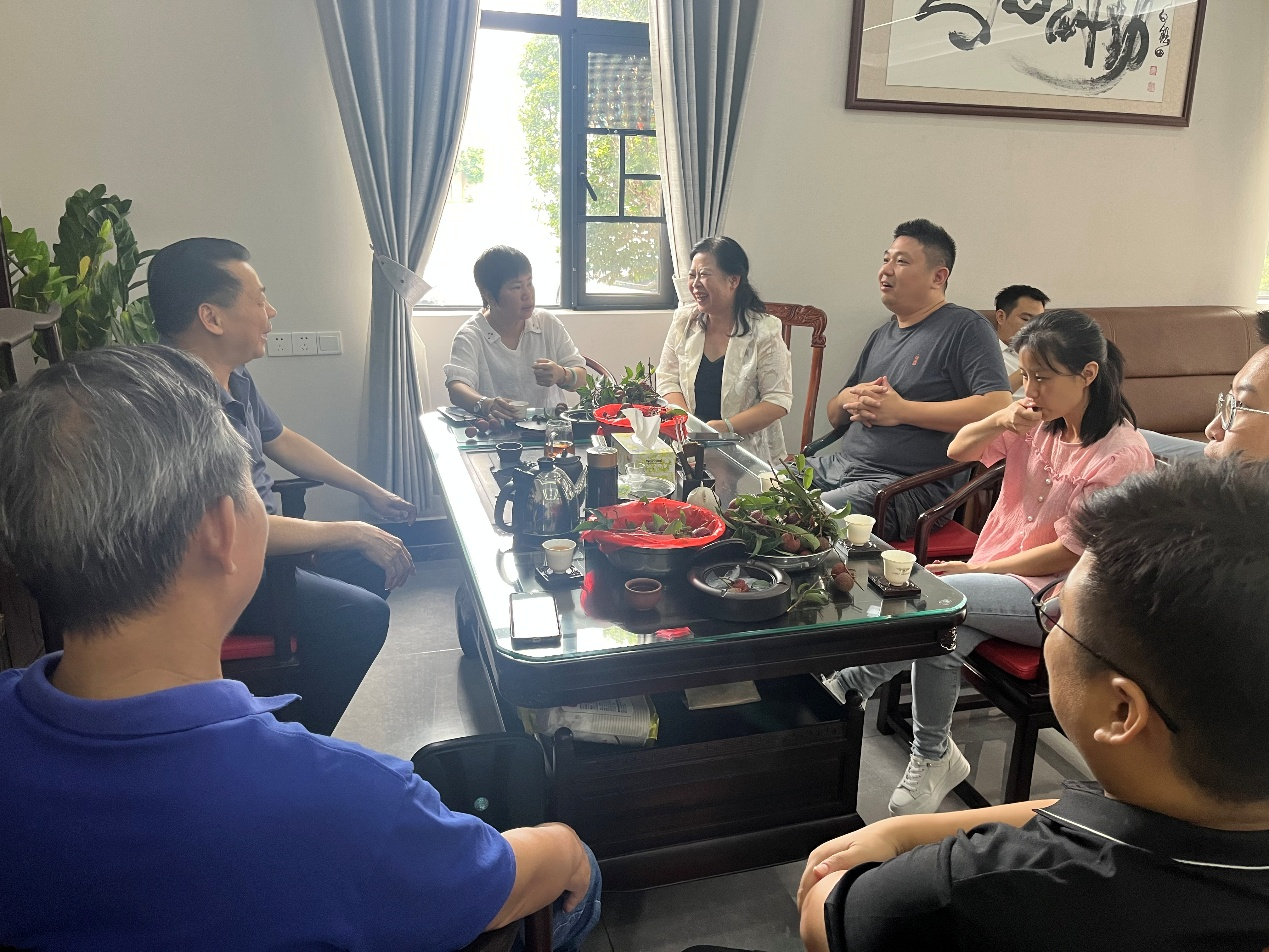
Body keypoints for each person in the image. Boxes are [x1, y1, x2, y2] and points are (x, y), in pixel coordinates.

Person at [0, 346, 601, 952]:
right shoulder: (341, 800)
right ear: (221, 530)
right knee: (578, 877)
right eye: (248, 485)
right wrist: (565, 846)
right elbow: (499, 883)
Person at [800, 458, 1269, 952]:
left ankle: (851, 691)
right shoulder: (1192, 805)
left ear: (1121, 711)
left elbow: (824, 915)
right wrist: (909, 831)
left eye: (1057, 610)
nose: (1050, 616)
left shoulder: (968, 889)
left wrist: (891, 851)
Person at [822, 310, 1154, 815]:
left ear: (1087, 373)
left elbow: (1069, 552)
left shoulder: (1120, 454)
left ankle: (854, 682)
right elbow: (959, 449)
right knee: (947, 633)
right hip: (1000, 575)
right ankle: (932, 753)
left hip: (1061, 599)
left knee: (941, 602)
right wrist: (1001, 417)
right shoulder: (1038, 421)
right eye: (1027, 376)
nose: (1031, 389)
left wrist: (977, 572)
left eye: (1043, 378)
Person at [148, 237, 415, 736]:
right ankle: (295, 736)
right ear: (212, 318)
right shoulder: (177, 404)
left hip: (261, 547)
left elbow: (281, 439)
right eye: (259, 299)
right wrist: (351, 530)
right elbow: (232, 530)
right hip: (218, 573)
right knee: (360, 616)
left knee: (368, 564)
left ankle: (296, 691)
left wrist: (368, 491)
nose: (270, 312)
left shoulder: (233, 376)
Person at [809, 219, 1013, 539]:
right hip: (840, 467)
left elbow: (998, 406)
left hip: (902, 487)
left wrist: (902, 411)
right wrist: (849, 398)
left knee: (805, 517)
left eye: (901, 261)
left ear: (938, 277)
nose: (886, 270)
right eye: (886, 259)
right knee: (761, 487)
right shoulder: (882, 334)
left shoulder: (965, 328)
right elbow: (835, 416)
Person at [657, 236, 794, 463]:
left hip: (745, 452)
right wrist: (687, 422)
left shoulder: (765, 329)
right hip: (688, 446)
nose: (695, 283)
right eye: (692, 275)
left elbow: (778, 399)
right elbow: (667, 378)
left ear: (733, 281)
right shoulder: (684, 320)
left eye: (704, 274)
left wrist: (725, 427)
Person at [445, 245, 587, 422]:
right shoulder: (471, 335)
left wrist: (562, 374)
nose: (527, 294)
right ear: (489, 296)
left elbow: (582, 379)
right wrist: (486, 404)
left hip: (551, 430)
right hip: (497, 432)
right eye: (516, 287)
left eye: (529, 283)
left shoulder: (546, 323)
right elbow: (457, 387)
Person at [989, 284, 1049, 394]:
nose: (1034, 326)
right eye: (1026, 319)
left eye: (1038, 321)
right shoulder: (987, 354)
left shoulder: (1047, 349)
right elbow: (992, 396)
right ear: (1001, 317)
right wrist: (1031, 367)